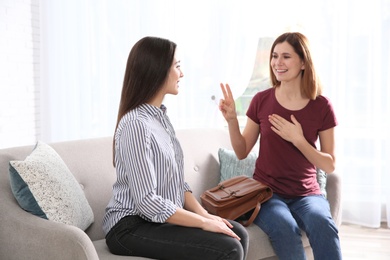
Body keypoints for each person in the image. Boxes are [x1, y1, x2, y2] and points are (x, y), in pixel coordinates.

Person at [102, 36, 248, 260]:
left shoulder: (160, 118)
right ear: (158, 70)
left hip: (155, 220)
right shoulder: (136, 125)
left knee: (238, 234)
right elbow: (146, 201)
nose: (182, 73)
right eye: (177, 66)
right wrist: (202, 223)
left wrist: (206, 215)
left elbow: (178, 184)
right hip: (130, 227)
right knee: (229, 248)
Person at [219, 32, 342, 260]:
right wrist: (232, 121)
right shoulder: (261, 100)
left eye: (286, 56)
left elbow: (330, 164)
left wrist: (298, 140)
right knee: (285, 229)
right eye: (275, 56)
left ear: (303, 62)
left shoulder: (322, 106)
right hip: (267, 194)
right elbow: (242, 150)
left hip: (307, 195)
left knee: (323, 225)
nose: (277, 62)